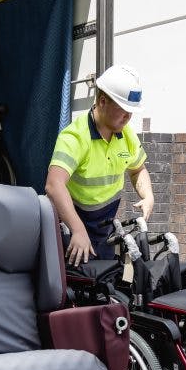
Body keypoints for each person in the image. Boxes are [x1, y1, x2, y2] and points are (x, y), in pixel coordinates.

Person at [46, 64, 155, 264]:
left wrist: (148, 196)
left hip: (104, 230)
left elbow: (138, 169)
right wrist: (77, 230)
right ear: (102, 102)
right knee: (72, 288)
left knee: (106, 284)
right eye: (124, 110)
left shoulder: (127, 134)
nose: (128, 117)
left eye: (131, 112)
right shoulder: (74, 137)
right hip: (70, 228)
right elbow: (54, 185)